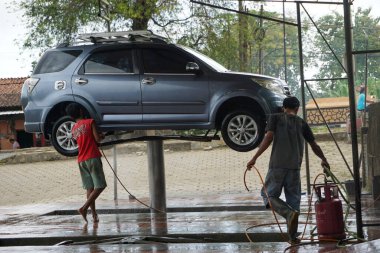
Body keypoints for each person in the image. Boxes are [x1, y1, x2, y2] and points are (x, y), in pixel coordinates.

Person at [246, 96, 330, 244]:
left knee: (268, 194)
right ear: (297, 109)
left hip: (277, 166)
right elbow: (314, 145)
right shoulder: (302, 123)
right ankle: (293, 238)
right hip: (294, 168)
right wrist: (324, 159)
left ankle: (287, 213)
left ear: (284, 108)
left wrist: (254, 157)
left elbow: (268, 137)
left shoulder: (276, 118)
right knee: (294, 201)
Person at [66, 103, 107, 223]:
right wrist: (102, 136)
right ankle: (84, 208)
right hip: (92, 157)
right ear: (81, 111)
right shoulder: (90, 122)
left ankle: (94, 214)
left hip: (81, 160)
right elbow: (97, 139)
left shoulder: (73, 129)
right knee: (100, 186)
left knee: (90, 187)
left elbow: (80, 140)